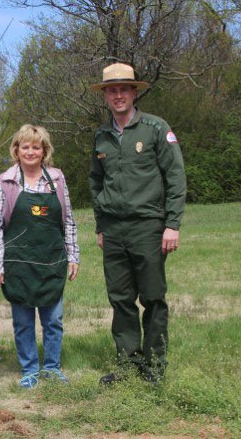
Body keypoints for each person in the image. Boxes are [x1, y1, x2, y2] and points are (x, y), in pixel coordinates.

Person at [89, 63, 186, 385]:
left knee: (153, 298)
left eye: (124, 89)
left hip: (148, 226)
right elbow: (95, 182)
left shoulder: (156, 129)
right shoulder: (101, 137)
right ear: (105, 96)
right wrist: (101, 225)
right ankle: (129, 366)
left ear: (134, 92)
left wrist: (172, 224)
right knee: (120, 300)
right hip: (114, 230)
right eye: (112, 90)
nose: (118, 95)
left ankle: (155, 368)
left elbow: (175, 176)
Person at [0, 124, 79, 389]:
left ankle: (51, 367)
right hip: (18, 264)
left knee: (53, 320)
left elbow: (68, 221)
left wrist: (73, 256)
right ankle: (29, 369)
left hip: (51, 260)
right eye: (24, 146)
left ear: (44, 151)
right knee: (23, 322)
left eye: (35, 147)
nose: (30, 151)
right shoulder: (5, 182)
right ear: (16, 150)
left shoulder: (57, 180)